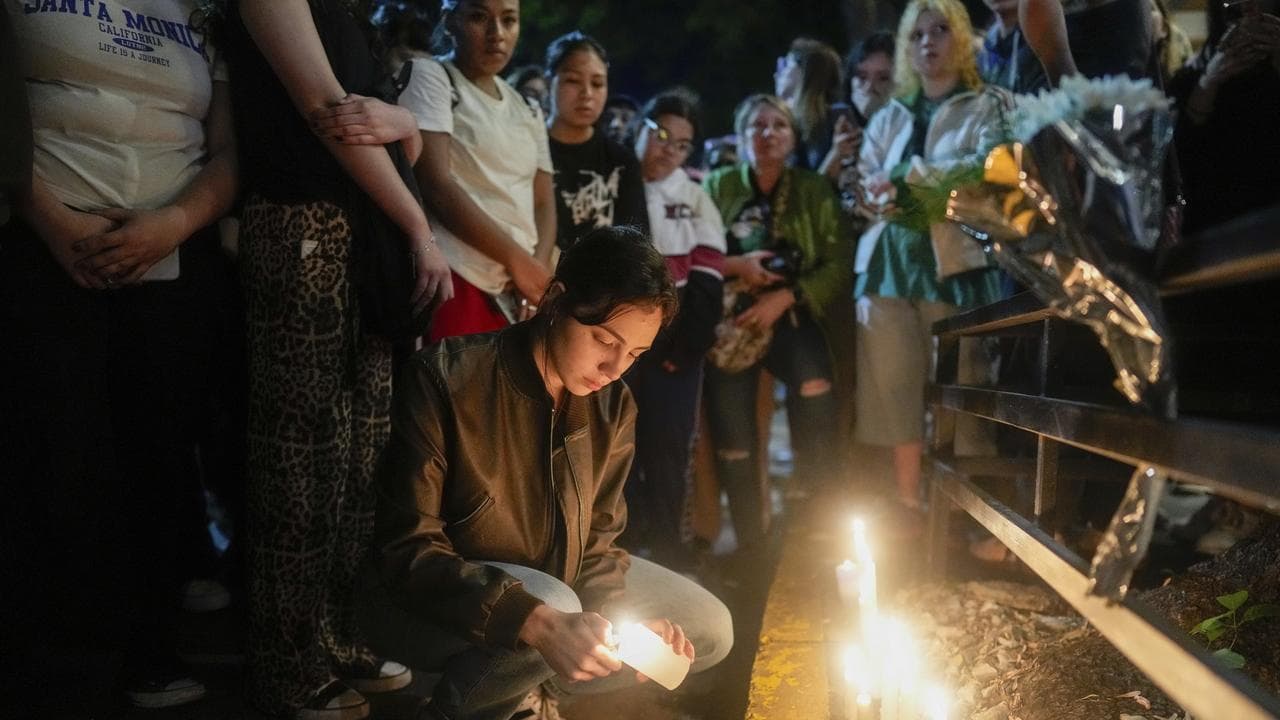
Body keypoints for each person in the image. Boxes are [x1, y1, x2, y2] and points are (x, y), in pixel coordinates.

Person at [361, 226, 734, 720]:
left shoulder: (612, 405)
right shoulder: (447, 378)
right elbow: (407, 549)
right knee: (551, 604)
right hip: (425, 599)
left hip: (560, 586)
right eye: (604, 338)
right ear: (556, 299)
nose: (613, 367)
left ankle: (536, 694)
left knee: (709, 625)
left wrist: (619, 621)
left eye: (634, 355)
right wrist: (535, 619)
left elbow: (599, 541)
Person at [1, 0, 238, 711]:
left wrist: (173, 223)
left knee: (156, 459)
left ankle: (148, 652)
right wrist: (52, 222)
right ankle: (52, 665)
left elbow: (228, 148)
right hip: (42, 247)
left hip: (172, 256)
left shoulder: (200, 9)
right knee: (54, 457)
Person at [226, 0, 454, 717]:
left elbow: (390, 137)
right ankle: (285, 662)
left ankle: (334, 636)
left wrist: (408, 124)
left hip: (363, 237)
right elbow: (330, 112)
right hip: (303, 227)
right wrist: (418, 225)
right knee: (302, 461)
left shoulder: (357, 16)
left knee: (361, 460)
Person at [853, 0, 1007, 525]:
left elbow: (986, 168)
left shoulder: (986, 105)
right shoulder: (890, 114)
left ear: (962, 38)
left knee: (965, 390)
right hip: (888, 265)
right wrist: (876, 194)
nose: (928, 42)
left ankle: (966, 515)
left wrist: (908, 178)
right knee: (893, 389)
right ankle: (908, 507)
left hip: (957, 262)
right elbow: (866, 181)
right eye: (917, 34)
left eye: (941, 30)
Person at [702, 94, 852, 559]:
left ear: (792, 136)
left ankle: (815, 510)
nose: (767, 135)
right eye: (757, 127)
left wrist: (788, 294)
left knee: (815, 385)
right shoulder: (718, 184)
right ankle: (751, 540)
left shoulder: (812, 188)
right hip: (732, 317)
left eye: (778, 126)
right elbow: (696, 254)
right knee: (733, 433)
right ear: (742, 136)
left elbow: (838, 262)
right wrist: (738, 268)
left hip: (791, 308)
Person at [400, 0, 557, 341]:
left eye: (509, 20)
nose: (496, 34)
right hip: (458, 275)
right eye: (478, 17)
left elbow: (544, 200)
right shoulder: (432, 76)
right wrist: (519, 261)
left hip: (521, 290)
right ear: (448, 21)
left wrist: (537, 270)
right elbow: (437, 185)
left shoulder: (527, 108)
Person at [622, 89, 727, 569]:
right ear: (642, 127)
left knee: (667, 449)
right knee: (616, 447)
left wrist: (683, 348)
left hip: (674, 346)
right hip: (616, 340)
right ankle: (619, 547)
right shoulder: (618, 180)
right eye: (661, 134)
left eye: (682, 144)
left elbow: (708, 279)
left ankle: (669, 553)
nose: (669, 149)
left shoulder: (694, 196)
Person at [1168, 0, 1280, 234]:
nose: (1251, 11)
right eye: (1237, 6)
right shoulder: (1194, 74)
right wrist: (1209, 82)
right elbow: (1182, 161)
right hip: (1215, 230)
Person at [544, 31, 649, 250]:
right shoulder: (528, 148)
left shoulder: (622, 162)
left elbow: (636, 245)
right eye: (573, 80)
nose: (587, 93)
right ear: (549, 82)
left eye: (598, 83)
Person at [774, 37, 844, 171]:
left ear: (805, 72)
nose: (778, 71)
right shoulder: (779, 123)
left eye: (787, 63)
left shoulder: (832, 121)